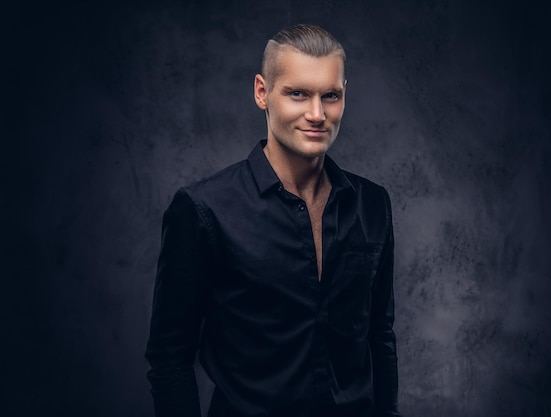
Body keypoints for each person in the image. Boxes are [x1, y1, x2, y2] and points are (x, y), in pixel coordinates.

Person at [145, 24, 400, 417]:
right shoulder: (202, 209)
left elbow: (379, 337)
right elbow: (170, 357)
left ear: (344, 95)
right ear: (262, 92)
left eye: (330, 96)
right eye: (297, 93)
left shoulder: (372, 204)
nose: (317, 114)